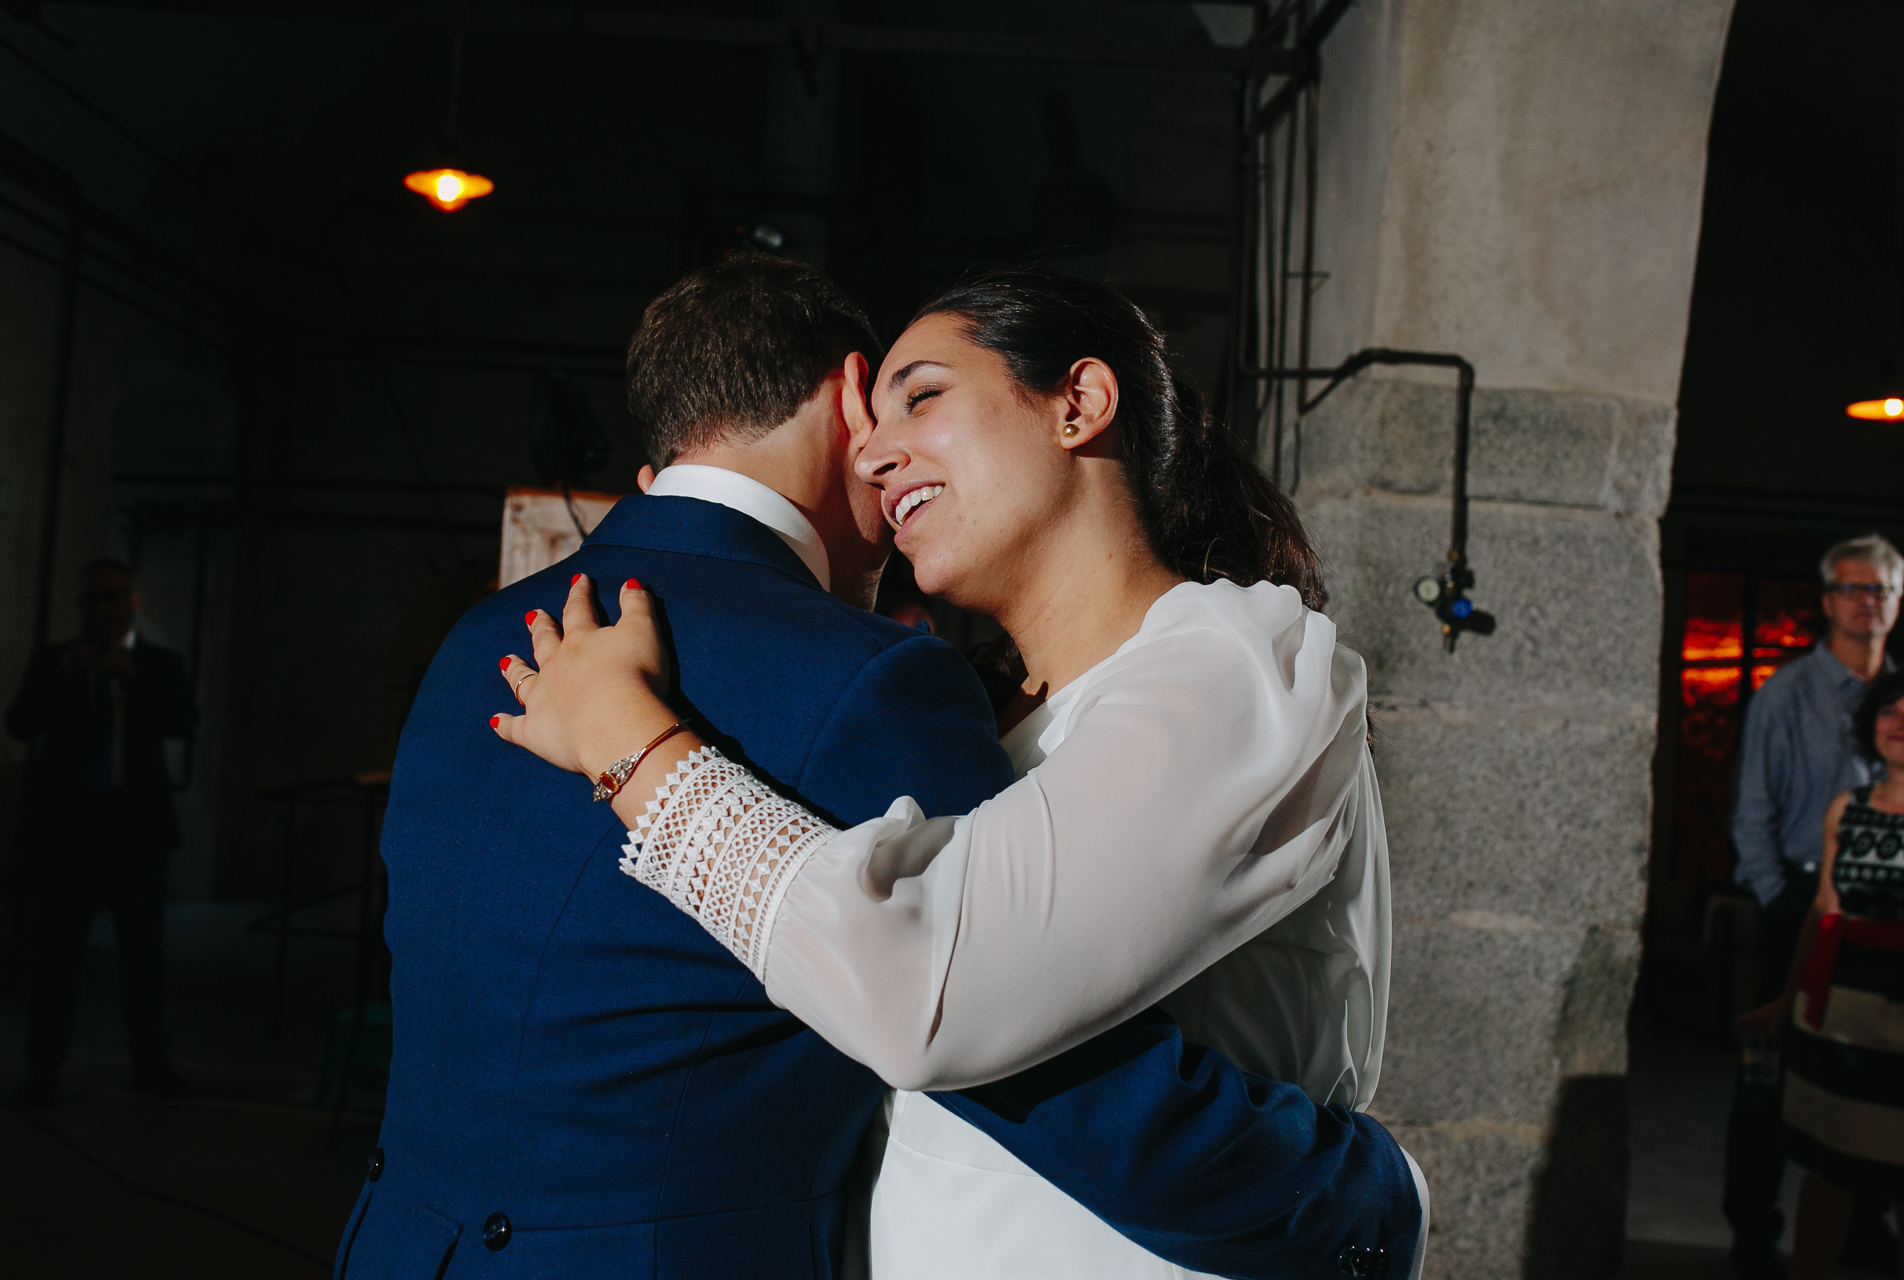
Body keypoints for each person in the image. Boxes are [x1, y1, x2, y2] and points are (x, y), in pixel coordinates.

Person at [343, 256, 1423, 1280]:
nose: (868, 451)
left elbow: (940, 987)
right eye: (874, 410)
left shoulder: (1233, 661)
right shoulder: (934, 696)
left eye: (921, 397)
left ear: (1080, 402)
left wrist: (641, 751)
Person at [1725, 535, 1904, 1279]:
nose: (1870, 603)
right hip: (1800, 896)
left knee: (1871, 1076)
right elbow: (1751, 814)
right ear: (1828, 600)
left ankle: (1866, 1229)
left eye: (1883, 591)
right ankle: (1755, 1231)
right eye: (1855, 589)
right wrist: (1778, 901)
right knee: (1770, 1078)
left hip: (1886, 912)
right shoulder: (1786, 693)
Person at [8, 558, 197, 1107]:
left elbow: (184, 722)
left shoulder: (158, 664)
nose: (103, 609)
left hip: (134, 826)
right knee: (57, 951)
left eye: (113, 598)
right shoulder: (54, 662)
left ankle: (150, 1059)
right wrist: (64, 671)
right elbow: (19, 723)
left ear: (132, 603)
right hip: (70, 828)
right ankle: (43, 1065)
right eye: (93, 600)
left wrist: (132, 677)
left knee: (142, 949)